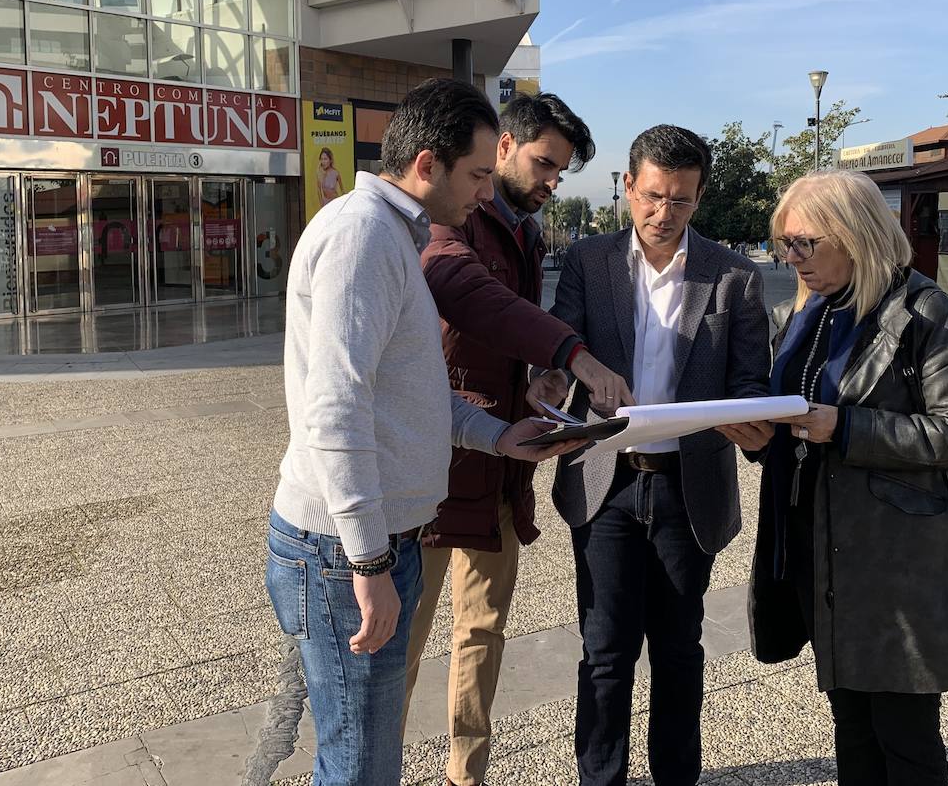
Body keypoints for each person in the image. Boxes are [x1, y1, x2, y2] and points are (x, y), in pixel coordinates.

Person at [265, 79, 582, 786]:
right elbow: (337, 410)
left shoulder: (388, 233)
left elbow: (406, 393)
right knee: (358, 767)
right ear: (427, 164)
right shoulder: (363, 238)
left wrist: (498, 435)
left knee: (362, 759)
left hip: (369, 538)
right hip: (342, 547)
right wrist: (370, 563)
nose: (481, 194)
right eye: (476, 175)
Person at [534, 124, 771, 786]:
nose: (664, 213)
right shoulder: (589, 261)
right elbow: (562, 341)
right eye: (653, 196)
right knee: (605, 651)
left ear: (700, 198)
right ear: (628, 185)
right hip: (606, 482)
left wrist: (750, 419)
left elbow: (751, 379)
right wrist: (559, 378)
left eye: (683, 200)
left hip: (686, 487)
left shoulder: (734, 277)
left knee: (677, 650)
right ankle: (600, 778)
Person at [403, 92, 625, 786]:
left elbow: (509, 325)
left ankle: (465, 774)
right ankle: (373, 768)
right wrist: (572, 353)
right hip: (437, 468)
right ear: (502, 147)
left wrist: (539, 375)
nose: (551, 181)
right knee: (400, 645)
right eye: (544, 164)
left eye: (560, 171)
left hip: (504, 461)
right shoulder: (451, 218)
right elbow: (463, 288)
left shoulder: (527, 230)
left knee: (482, 631)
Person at [745, 169, 948, 786]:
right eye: (785, 244)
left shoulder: (924, 312)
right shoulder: (804, 315)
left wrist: (849, 428)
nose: (792, 257)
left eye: (806, 243)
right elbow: (795, 421)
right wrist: (756, 434)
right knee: (851, 724)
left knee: (904, 735)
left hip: (897, 564)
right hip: (818, 549)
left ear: (856, 236)